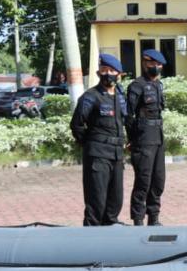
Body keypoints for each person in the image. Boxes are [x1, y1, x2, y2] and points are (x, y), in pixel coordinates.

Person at [70, 54, 128, 226]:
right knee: (97, 200)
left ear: (119, 74)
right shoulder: (90, 96)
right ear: (98, 73)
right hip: (98, 155)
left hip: (116, 155)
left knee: (115, 199)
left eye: (111, 71)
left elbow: (125, 121)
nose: (107, 74)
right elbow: (77, 125)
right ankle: (91, 238)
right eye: (104, 70)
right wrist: (90, 144)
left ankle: (110, 231)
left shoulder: (120, 96)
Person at [126, 48, 167, 227]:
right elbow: (128, 115)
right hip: (143, 137)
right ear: (144, 64)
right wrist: (132, 139)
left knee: (158, 180)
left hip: (158, 136)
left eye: (158, 65)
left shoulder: (159, 85)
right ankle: (138, 219)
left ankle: (154, 217)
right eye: (151, 64)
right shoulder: (137, 85)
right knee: (143, 180)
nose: (155, 67)